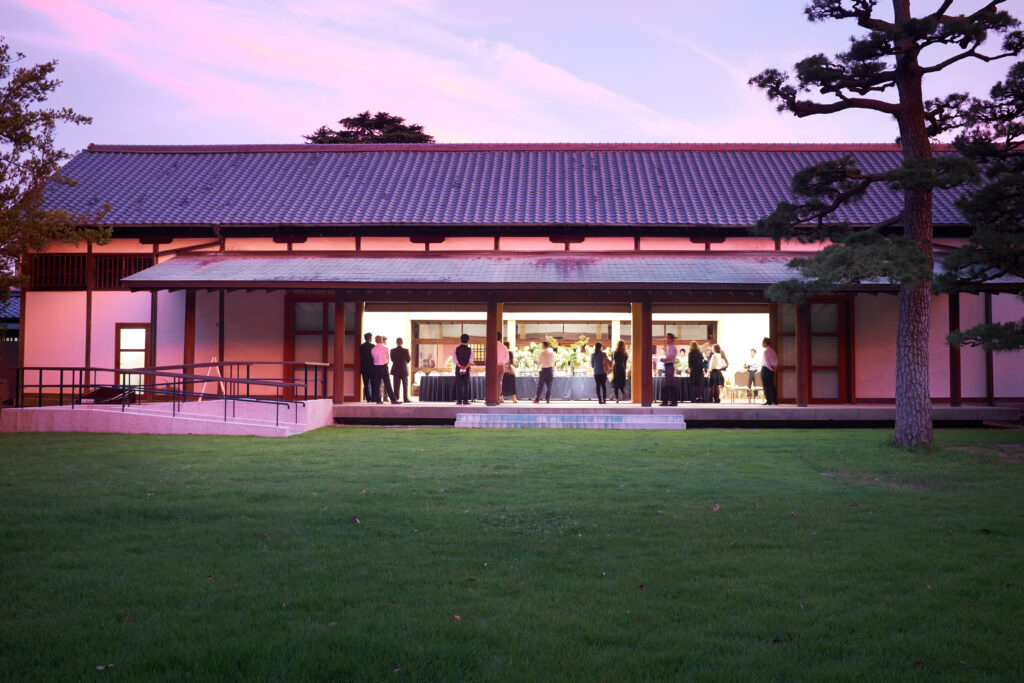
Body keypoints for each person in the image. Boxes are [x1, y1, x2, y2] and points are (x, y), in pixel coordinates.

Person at [372, 335, 399, 404]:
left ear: (375, 341)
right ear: (381, 340)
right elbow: (387, 358)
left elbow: (373, 358)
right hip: (384, 367)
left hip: (376, 367)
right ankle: (393, 400)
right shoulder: (385, 348)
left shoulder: (373, 349)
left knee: (377, 384)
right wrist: (386, 363)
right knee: (387, 384)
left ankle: (378, 400)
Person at [452, 333, 473, 405]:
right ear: (468, 341)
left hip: (458, 369)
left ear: (460, 340)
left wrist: (460, 366)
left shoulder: (456, 349)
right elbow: (471, 360)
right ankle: (465, 400)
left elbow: (454, 359)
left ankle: (459, 400)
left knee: (459, 384)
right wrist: (465, 367)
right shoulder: (470, 350)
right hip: (466, 369)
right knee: (466, 384)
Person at [659, 333, 679, 406]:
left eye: (668, 338)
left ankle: (669, 401)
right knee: (668, 384)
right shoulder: (669, 347)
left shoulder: (672, 347)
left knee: (668, 384)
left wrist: (664, 359)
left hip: (669, 366)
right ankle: (669, 401)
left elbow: (671, 357)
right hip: (668, 366)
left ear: (672, 339)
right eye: (666, 338)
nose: (667, 339)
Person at [390, 337, 411, 403]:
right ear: (402, 342)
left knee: (396, 385)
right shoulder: (406, 350)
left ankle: (396, 398)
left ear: (396, 342)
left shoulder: (392, 350)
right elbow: (408, 360)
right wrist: (403, 363)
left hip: (396, 370)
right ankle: (405, 399)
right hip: (404, 369)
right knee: (405, 385)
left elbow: (392, 360)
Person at [761, 337, 779, 405]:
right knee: (771, 384)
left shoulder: (766, 351)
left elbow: (766, 362)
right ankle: (774, 400)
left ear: (765, 343)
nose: (762, 344)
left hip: (766, 369)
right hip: (771, 369)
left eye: (763, 342)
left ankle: (769, 401)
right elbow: (776, 360)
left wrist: (771, 369)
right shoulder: (772, 351)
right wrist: (775, 368)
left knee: (766, 385)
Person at [494, 331, 510, 404]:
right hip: (501, 366)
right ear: (500, 338)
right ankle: (497, 398)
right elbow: (507, 359)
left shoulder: (491, 345)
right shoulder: (504, 347)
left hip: (492, 366)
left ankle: (492, 398)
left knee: (492, 382)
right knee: (499, 382)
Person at [359, 332, 376, 402]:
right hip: (372, 368)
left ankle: (368, 398)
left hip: (363, 368)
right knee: (373, 383)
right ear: (369, 338)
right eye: (371, 337)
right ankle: (373, 398)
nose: (372, 339)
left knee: (365, 384)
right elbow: (374, 357)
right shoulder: (373, 346)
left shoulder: (361, 346)